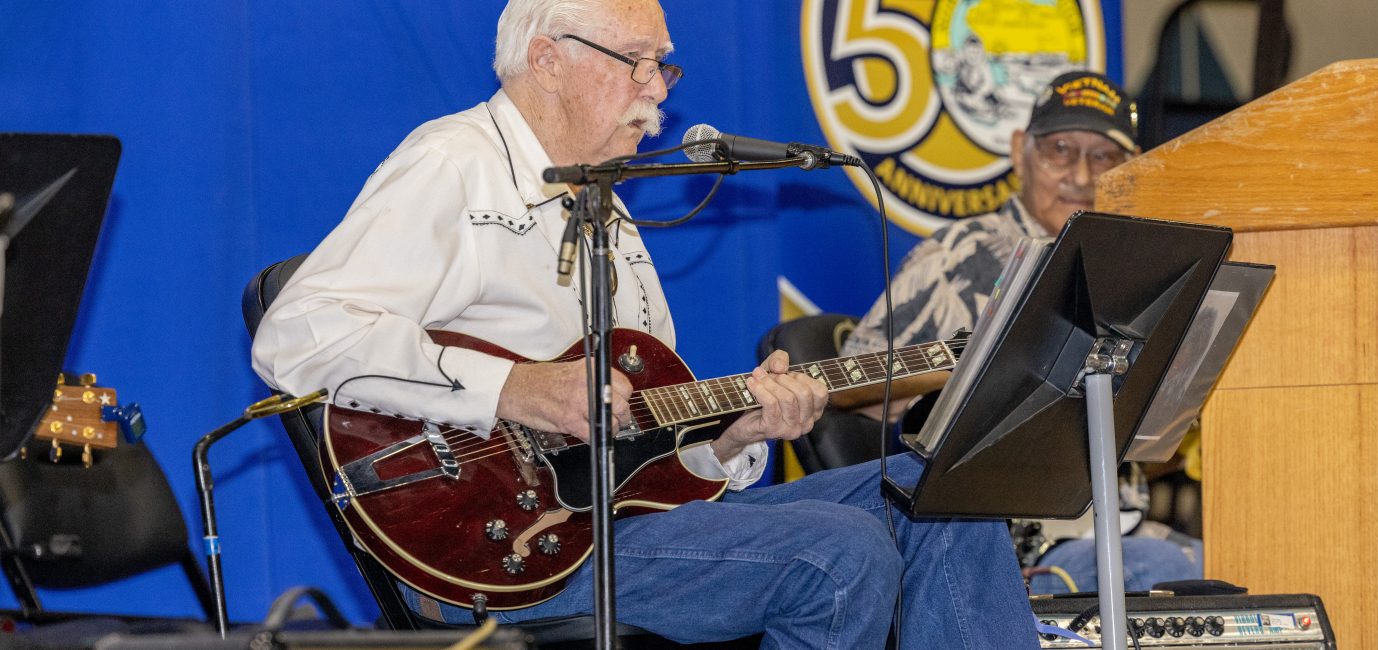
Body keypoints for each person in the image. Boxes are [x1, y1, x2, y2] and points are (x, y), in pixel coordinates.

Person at [250, 0, 1038, 646]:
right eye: (637, 60)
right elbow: (298, 333)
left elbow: (652, 464)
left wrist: (735, 437)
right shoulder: (456, 162)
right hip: (507, 555)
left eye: (663, 64)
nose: (658, 88)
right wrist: (514, 389)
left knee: (942, 490)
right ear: (547, 58)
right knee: (840, 551)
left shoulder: (612, 218)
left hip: (622, 532)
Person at [836, 70, 1203, 595]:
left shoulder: (1137, 266)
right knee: (1168, 566)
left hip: (1112, 521)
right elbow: (847, 385)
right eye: (1060, 150)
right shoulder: (960, 253)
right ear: (1019, 152)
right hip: (998, 543)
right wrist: (975, 371)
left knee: (1242, 556)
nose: (1081, 175)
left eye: (1104, 157)